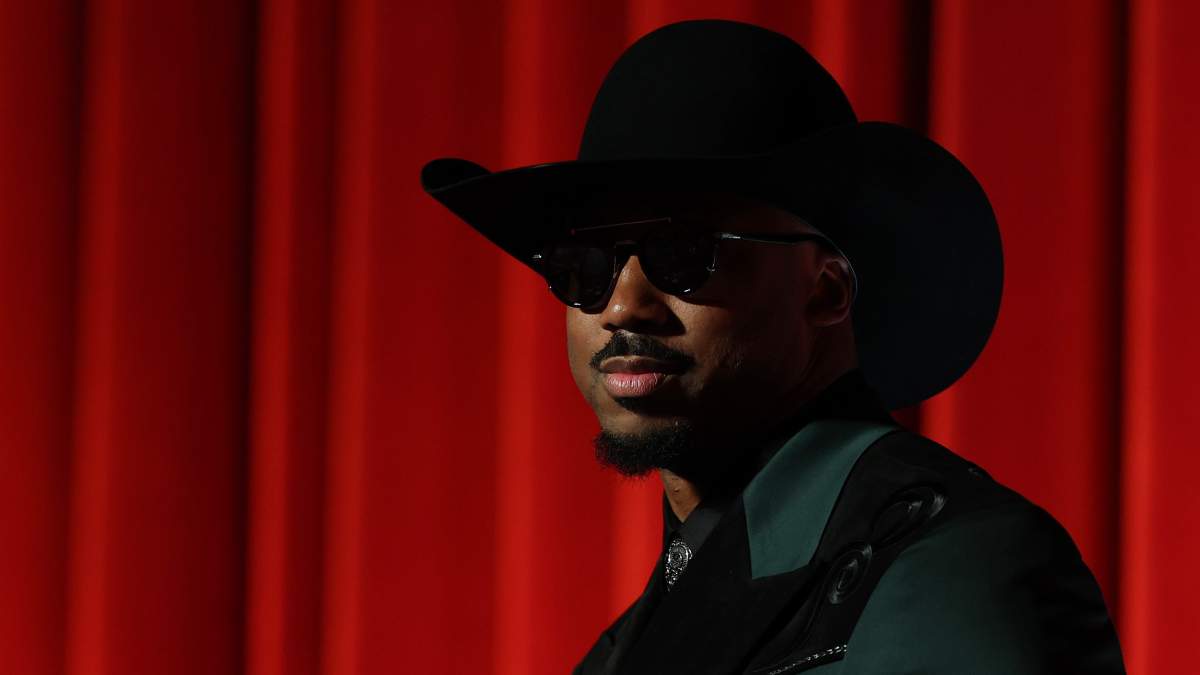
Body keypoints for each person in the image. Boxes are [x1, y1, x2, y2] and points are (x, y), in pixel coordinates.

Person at [421, 19, 1125, 675]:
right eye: (584, 266)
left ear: (825, 291)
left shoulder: (950, 568)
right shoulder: (627, 643)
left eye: (684, 253)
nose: (622, 305)